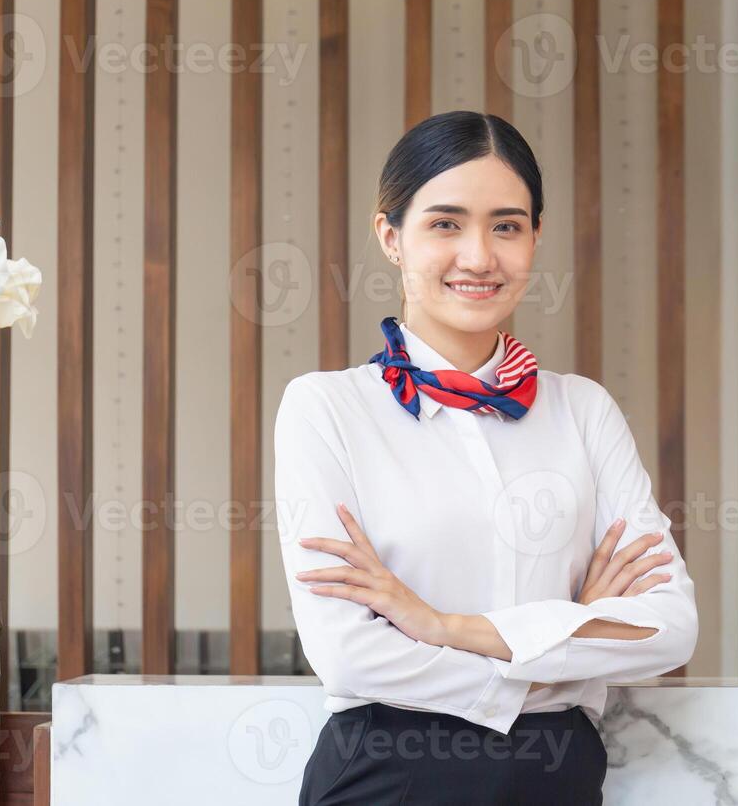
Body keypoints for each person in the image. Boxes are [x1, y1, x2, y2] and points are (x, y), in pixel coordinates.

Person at [276, 110, 699, 804]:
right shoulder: (326, 409)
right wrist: (563, 641)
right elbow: (349, 653)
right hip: (387, 776)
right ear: (390, 237)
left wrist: (446, 629)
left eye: (507, 225)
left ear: (535, 236)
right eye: (445, 224)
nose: (478, 257)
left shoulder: (582, 410)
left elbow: (670, 629)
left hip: (557, 778)